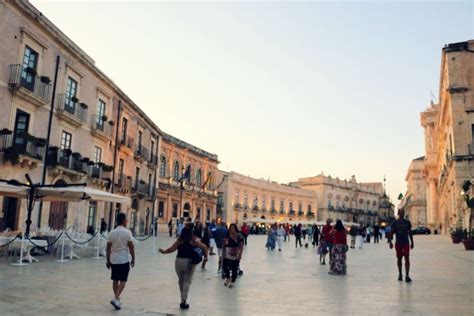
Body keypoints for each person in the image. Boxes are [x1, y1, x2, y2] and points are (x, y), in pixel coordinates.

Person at [159, 227, 208, 309]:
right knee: (187, 282)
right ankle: (183, 300)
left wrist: (164, 252)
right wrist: (206, 257)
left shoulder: (179, 241)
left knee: (181, 281)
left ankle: (183, 298)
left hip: (178, 262)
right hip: (189, 263)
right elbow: (204, 247)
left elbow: (171, 249)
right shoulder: (193, 242)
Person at [106, 213, 135, 310]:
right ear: (123, 221)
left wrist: (107, 260)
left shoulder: (111, 232)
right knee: (123, 280)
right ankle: (115, 298)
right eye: (126, 220)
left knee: (115, 279)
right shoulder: (127, 233)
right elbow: (131, 246)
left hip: (114, 259)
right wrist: (133, 258)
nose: (127, 221)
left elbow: (108, 248)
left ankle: (117, 299)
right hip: (123, 260)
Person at [389, 208, 414, 283]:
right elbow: (391, 233)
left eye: (403, 212)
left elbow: (410, 232)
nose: (402, 214)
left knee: (407, 258)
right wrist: (390, 242)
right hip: (398, 243)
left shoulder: (407, 222)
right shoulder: (395, 223)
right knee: (399, 259)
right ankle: (400, 274)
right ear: (398, 213)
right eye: (401, 212)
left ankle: (407, 275)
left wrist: (412, 242)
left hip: (406, 242)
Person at [223, 224, 244, 288]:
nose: (232, 229)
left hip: (235, 253)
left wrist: (240, 254)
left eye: (233, 228)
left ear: (235, 229)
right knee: (224, 266)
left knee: (234, 268)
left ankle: (233, 282)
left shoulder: (239, 236)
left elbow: (241, 246)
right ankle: (228, 277)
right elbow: (224, 244)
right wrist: (223, 252)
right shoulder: (227, 235)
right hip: (227, 253)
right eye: (231, 228)